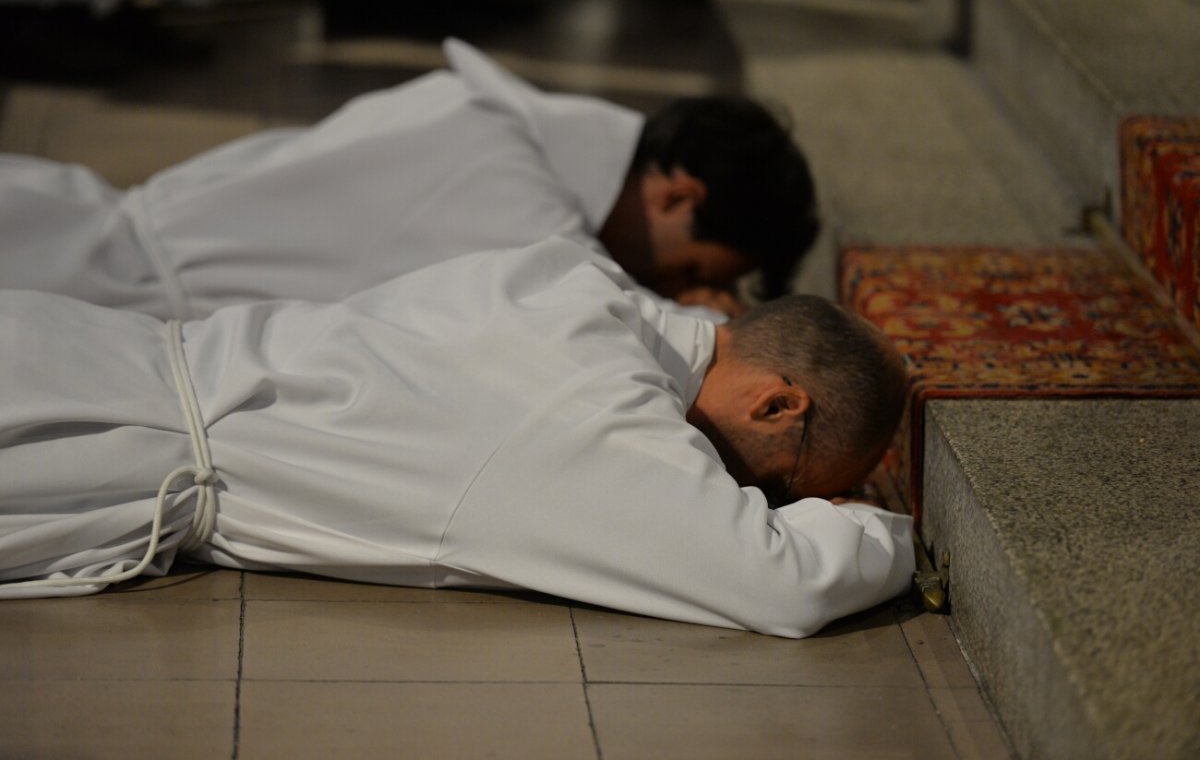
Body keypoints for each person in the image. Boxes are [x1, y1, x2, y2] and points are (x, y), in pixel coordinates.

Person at [0, 238, 910, 638]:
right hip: (81, 453)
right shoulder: (595, 411)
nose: (778, 503)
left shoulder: (578, 281)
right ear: (778, 406)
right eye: (794, 486)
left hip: (74, 347)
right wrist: (892, 531)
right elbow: (780, 584)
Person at [0, 38, 818, 321]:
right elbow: (584, 313)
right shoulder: (513, 178)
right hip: (85, 286)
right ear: (679, 196)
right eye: (684, 270)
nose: (661, 286)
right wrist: (705, 326)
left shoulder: (495, 111)